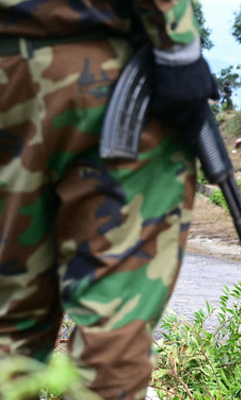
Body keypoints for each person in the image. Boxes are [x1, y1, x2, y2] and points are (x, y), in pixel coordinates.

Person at [0, 1, 217, 399]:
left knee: (9, 325)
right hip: (109, 70)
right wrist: (180, 48)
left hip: (8, 74)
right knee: (113, 333)